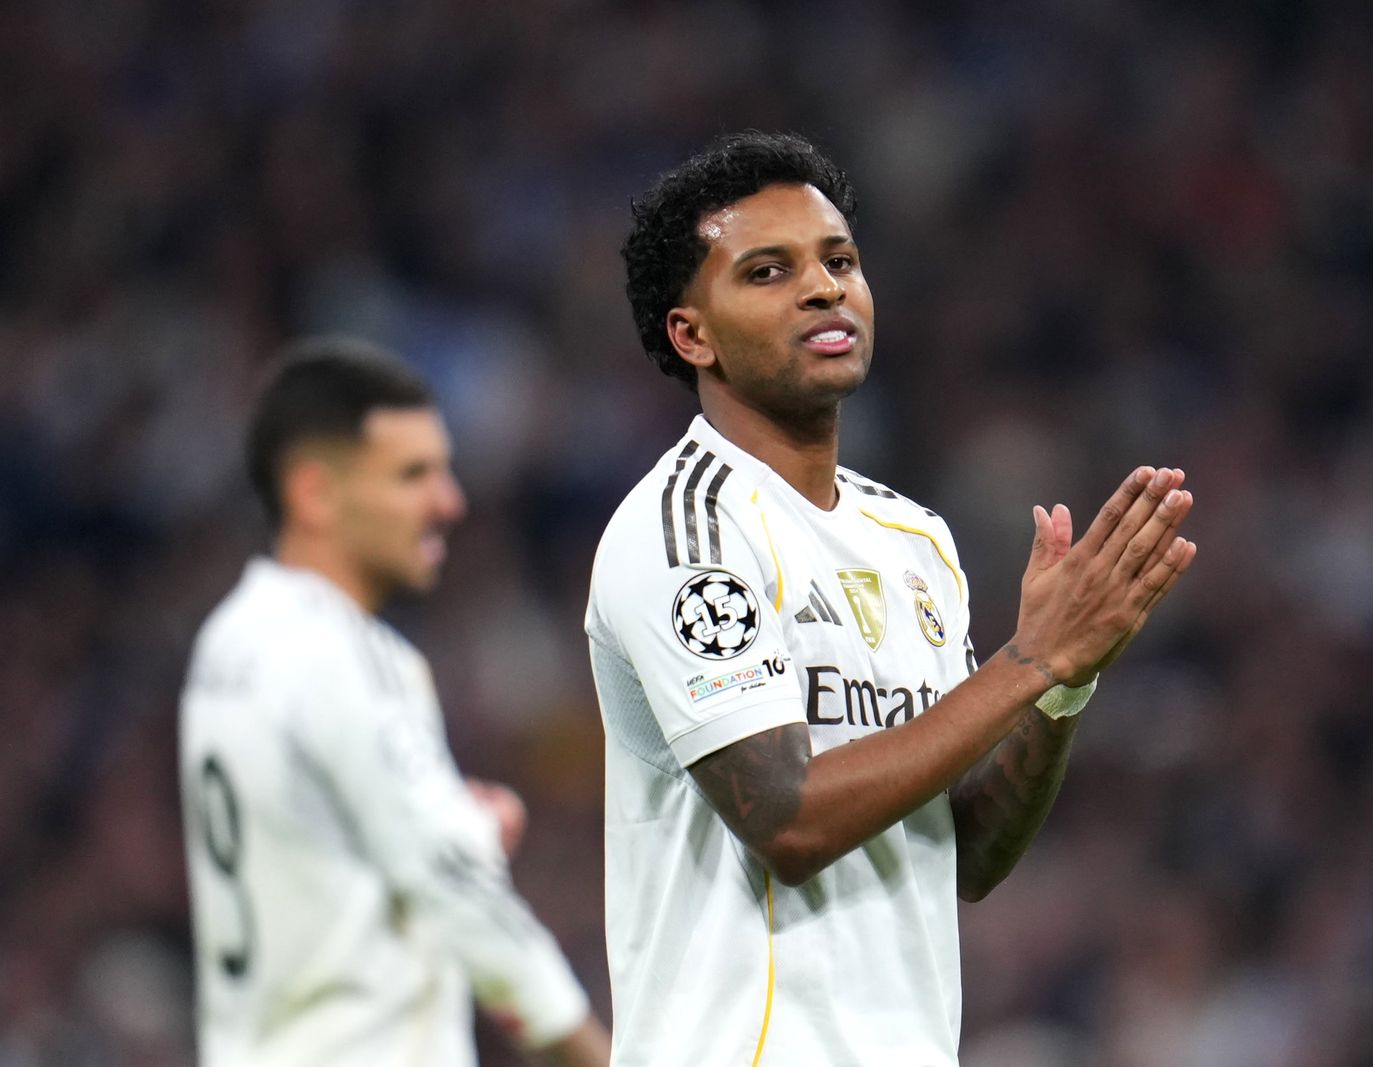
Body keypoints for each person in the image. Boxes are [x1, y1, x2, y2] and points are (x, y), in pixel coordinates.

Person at [586, 131, 1197, 1065]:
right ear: (691, 334)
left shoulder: (913, 539)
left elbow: (971, 850)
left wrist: (1066, 680)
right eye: (767, 271)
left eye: (839, 261)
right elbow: (789, 821)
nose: (823, 288)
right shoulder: (686, 531)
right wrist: (1030, 659)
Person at [179, 338, 610, 1067]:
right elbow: (458, 896)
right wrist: (588, 1049)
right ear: (314, 493)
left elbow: (320, 850)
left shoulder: (228, 643)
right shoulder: (349, 655)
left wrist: (459, 826)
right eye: (413, 475)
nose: (449, 501)